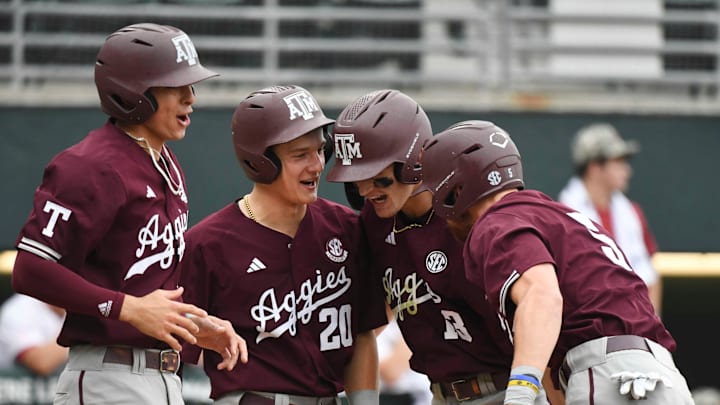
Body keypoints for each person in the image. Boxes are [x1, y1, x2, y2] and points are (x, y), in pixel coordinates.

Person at [11, 23, 246, 405]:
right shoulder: (91, 164)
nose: (191, 98)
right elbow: (29, 270)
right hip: (109, 377)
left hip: (164, 379)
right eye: (177, 86)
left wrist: (194, 327)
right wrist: (126, 308)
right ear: (134, 91)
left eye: (191, 86)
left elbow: (144, 293)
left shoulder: (165, 161)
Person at [419, 120, 694, 405]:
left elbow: (542, 297)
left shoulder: (496, 222)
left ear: (455, 188)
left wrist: (520, 394)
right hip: (662, 378)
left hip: (608, 375)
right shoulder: (556, 215)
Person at [326, 90, 553, 405]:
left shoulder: (469, 207)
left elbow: (543, 303)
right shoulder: (375, 223)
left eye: (374, 175)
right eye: (355, 177)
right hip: (441, 395)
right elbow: (368, 323)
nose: (364, 189)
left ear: (412, 161)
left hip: (511, 390)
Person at [179, 85, 387, 405]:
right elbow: (174, 348)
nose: (317, 165)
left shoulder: (347, 229)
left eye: (320, 150)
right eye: (300, 155)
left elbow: (363, 335)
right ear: (261, 162)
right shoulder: (207, 245)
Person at [558, 123, 662, 314]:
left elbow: (651, 278)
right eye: (618, 161)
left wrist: (651, 332)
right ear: (595, 167)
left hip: (636, 326)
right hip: (586, 328)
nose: (627, 170)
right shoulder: (562, 216)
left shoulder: (631, 212)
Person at [0, 293, 67, 376]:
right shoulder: (19, 309)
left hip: (61, 386)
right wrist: (81, 331)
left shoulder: (76, 308)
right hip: (14, 386)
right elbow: (40, 362)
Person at [377, 307, 433, 405]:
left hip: (430, 396)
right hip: (395, 398)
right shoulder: (378, 328)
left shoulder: (414, 322)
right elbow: (391, 372)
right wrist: (416, 333)